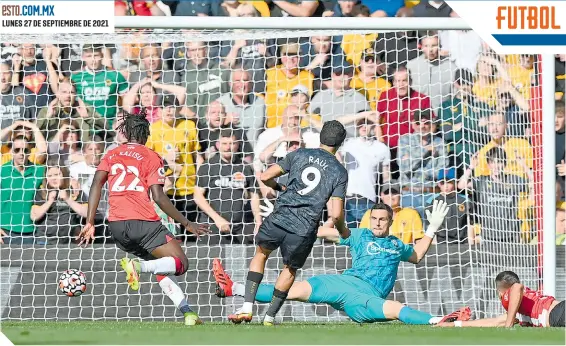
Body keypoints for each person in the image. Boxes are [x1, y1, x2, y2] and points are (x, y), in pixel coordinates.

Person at [214, 200, 471, 326]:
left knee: (394, 308)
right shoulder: (359, 235)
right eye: (374, 218)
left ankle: (437, 321)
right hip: (342, 282)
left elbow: (416, 256)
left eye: (383, 219)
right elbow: (323, 232)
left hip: (365, 296)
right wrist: (286, 217)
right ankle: (233, 288)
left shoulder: (396, 245)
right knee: (293, 291)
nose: (378, 223)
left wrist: (432, 228)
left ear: (391, 221)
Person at [76, 110, 209, 326]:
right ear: (145, 134)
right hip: (143, 222)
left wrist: (90, 222)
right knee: (180, 263)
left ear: (126, 133)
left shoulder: (111, 154)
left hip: (117, 228)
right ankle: (138, 267)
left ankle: (188, 313)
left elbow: (96, 184)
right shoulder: (151, 156)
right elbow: (158, 196)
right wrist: (187, 223)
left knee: (161, 265)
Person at [228, 121, 349, 326]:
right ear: (340, 143)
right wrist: (343, 231)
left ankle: (247, 307)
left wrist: (280, 187)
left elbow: (264, 176)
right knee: (290, 269)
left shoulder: (298, 154)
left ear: (321, 137)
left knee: (261, 254)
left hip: (279, 217)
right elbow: (336, 214)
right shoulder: (339, 171)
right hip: (304, 228)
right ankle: (269, 317)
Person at [437, 271, 564, 328]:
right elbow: (493, 322)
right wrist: (454, 324)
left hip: (557, 314)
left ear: (500, 293)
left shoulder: (513, 294)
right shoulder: (518, 309)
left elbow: (516, 287)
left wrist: (508, 325)